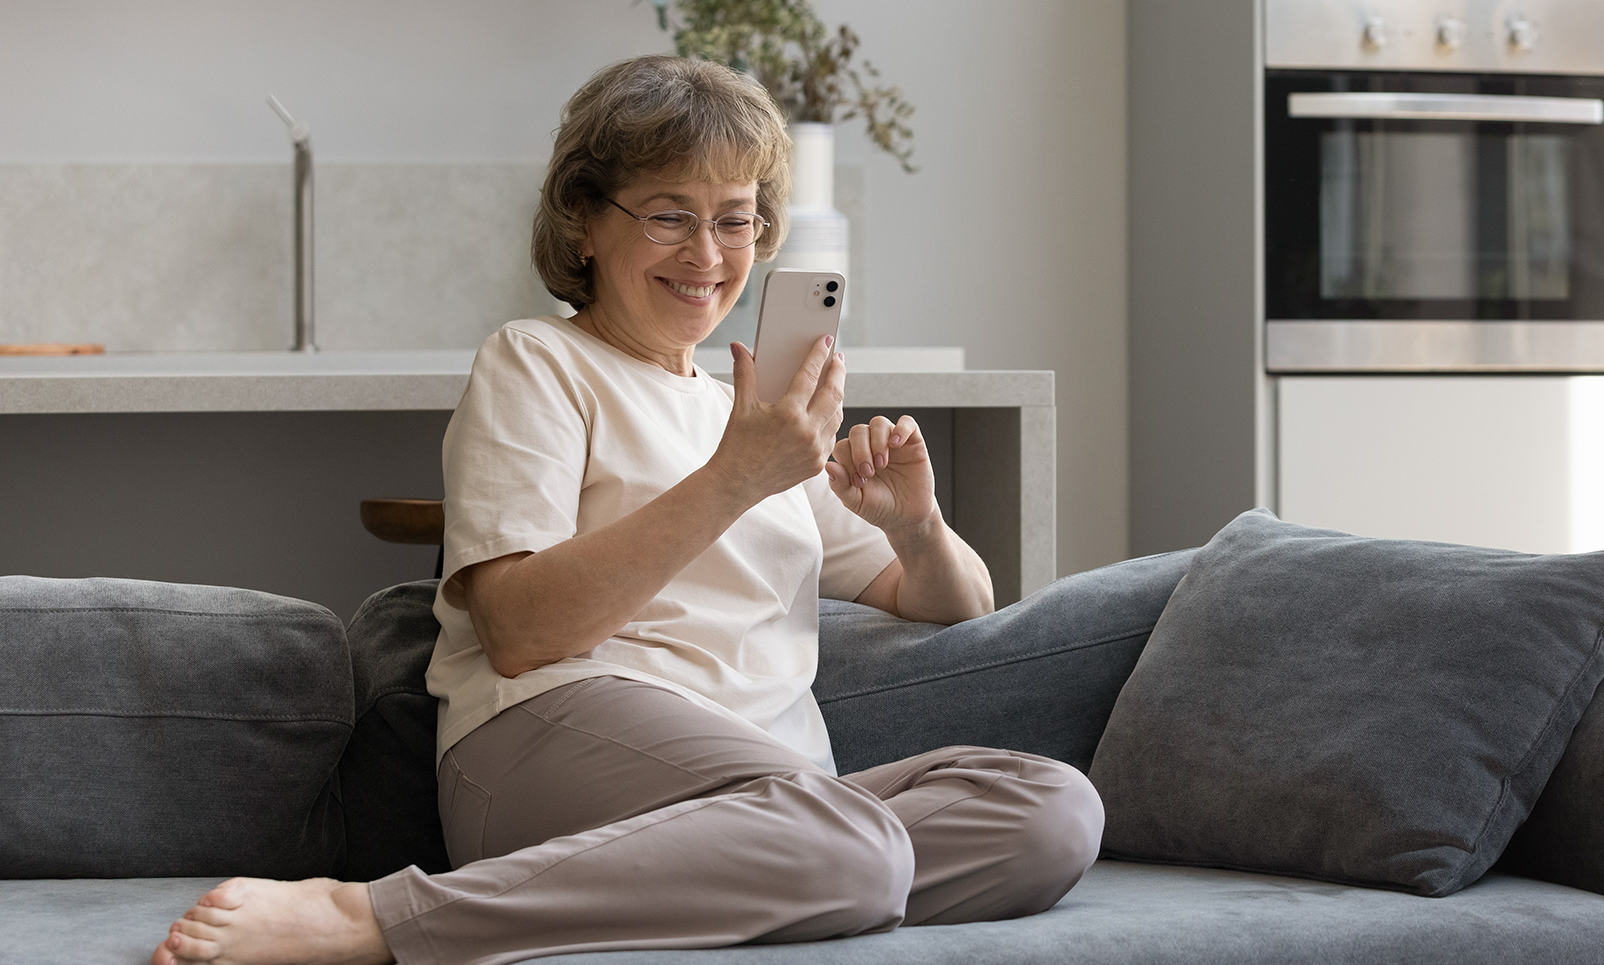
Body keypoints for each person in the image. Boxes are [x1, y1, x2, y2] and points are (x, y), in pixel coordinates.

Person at [152, 56, 1103, 965]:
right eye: (669, 216)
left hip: (771, 791)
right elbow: (522, 631)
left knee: (1051, 809)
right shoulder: (539, 362)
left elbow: (958, 604)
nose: (708, 254)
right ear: (582, 224)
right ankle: (379, 916)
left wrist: (914, 525)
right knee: (850, 844)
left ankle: (763, 872)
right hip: (544, 739)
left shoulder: (760, 417)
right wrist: (737, 473)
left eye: (735, 220)